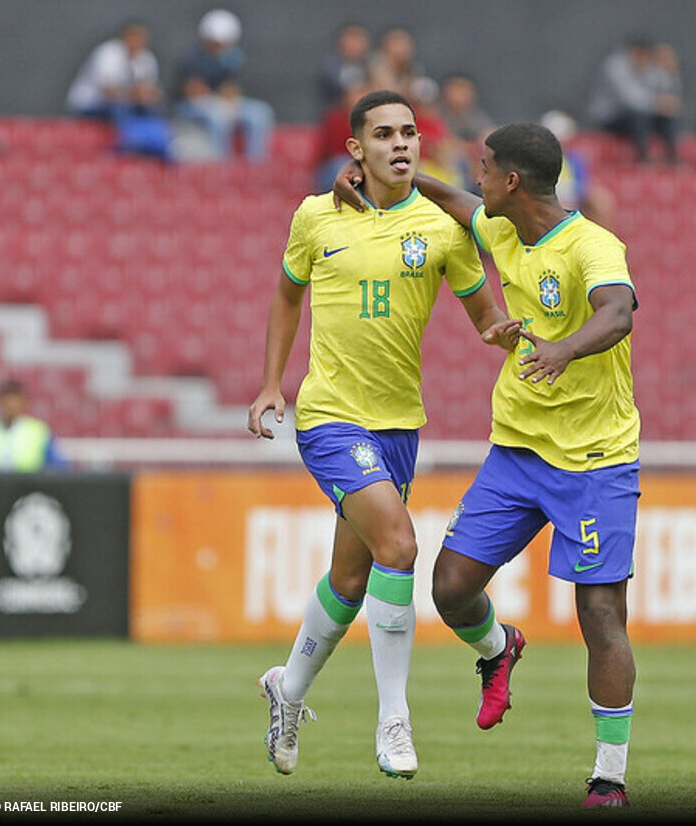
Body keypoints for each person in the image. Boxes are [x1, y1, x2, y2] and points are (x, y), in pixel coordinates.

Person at [333, 121, 641, 808]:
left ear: (512, 181)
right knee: (449, 588)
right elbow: (447, 199)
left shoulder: (593, 244)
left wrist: (565, 349)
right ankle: (499, 647)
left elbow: (617, 313)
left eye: (484, 167)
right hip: (517, 451)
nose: (475, 177)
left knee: (599, 610)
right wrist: (372, 177)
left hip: (596, 459)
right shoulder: (503, 229)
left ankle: (609, 776)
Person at [248, 89, 514, 780]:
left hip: (399, 426)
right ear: (355, 150)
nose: (401, 143)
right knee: (399, 543)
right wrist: (272, 382)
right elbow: (286, 296)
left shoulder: (445, 229)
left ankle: (288, 690)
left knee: (350, 574)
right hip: (331, 416)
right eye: (385, 134)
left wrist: (508, 337)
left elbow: (484, 314)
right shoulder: (315, 217)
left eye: (410, 133)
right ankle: (394, 720)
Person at [173, 8, 275, 162]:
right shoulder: (191, 59)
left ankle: (255, 165)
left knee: (260, 113)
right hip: (192, 107)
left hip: (223, 104)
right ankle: (222, 165)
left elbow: (232, 90)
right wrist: (217, 97)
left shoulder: (234, 59)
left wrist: (226, 98)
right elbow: (194, 92)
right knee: (216, 116)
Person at [587, 35, 681, 164]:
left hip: (640, 116)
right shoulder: (616, 65)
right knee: (639, 115)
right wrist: (658, 103)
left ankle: (672, 158)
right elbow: (630, 99)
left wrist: (669, 72)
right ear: (634, 52)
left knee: (666, 118)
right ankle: (643, 158)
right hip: (610, 117)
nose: (644, 60)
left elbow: (666, 92)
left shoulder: (648, 65)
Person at [65, 20, 165, 122]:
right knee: (120, 110)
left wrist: (145, 94)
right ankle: (127, 138)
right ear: (124, 36)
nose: (138, 40)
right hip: (89, 104)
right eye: (134, 36)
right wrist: (136, 93)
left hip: (126, 105)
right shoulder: (107, 53)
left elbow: (154, 93)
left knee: (151, 112)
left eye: (142, 37)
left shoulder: (146, 58)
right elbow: (108, 91)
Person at [542, 109, 617, 230]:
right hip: (553, 196)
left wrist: (581, 192)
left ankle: (601, 237)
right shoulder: (540, 159)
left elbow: (583, 181)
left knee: (601, 200)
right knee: (561, 205)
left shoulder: (573, 158)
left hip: (574, 193)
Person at [0, 379, 66, 473]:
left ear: (23, 402)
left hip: (28, 485)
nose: (10, 405)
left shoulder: (38, 431)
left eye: (15, 400)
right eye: (6, 400)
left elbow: (57, 467)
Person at [438, 72, 496, 191]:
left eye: (464, 89)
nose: (460, 95)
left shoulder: (476, 117)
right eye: (456, 89)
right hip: (448, 170)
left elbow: (488, 135)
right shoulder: (437, 115)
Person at [317, 22, 371, 114]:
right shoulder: (330, 70)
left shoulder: (372, 68)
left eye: (359, 40)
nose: (355, 45)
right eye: (351, 40)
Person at [367, 26, 426, 98]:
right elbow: (390, 94)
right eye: (399, 44)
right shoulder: (377, 68)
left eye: (406, 44)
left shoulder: (413, 69)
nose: (404, 48)